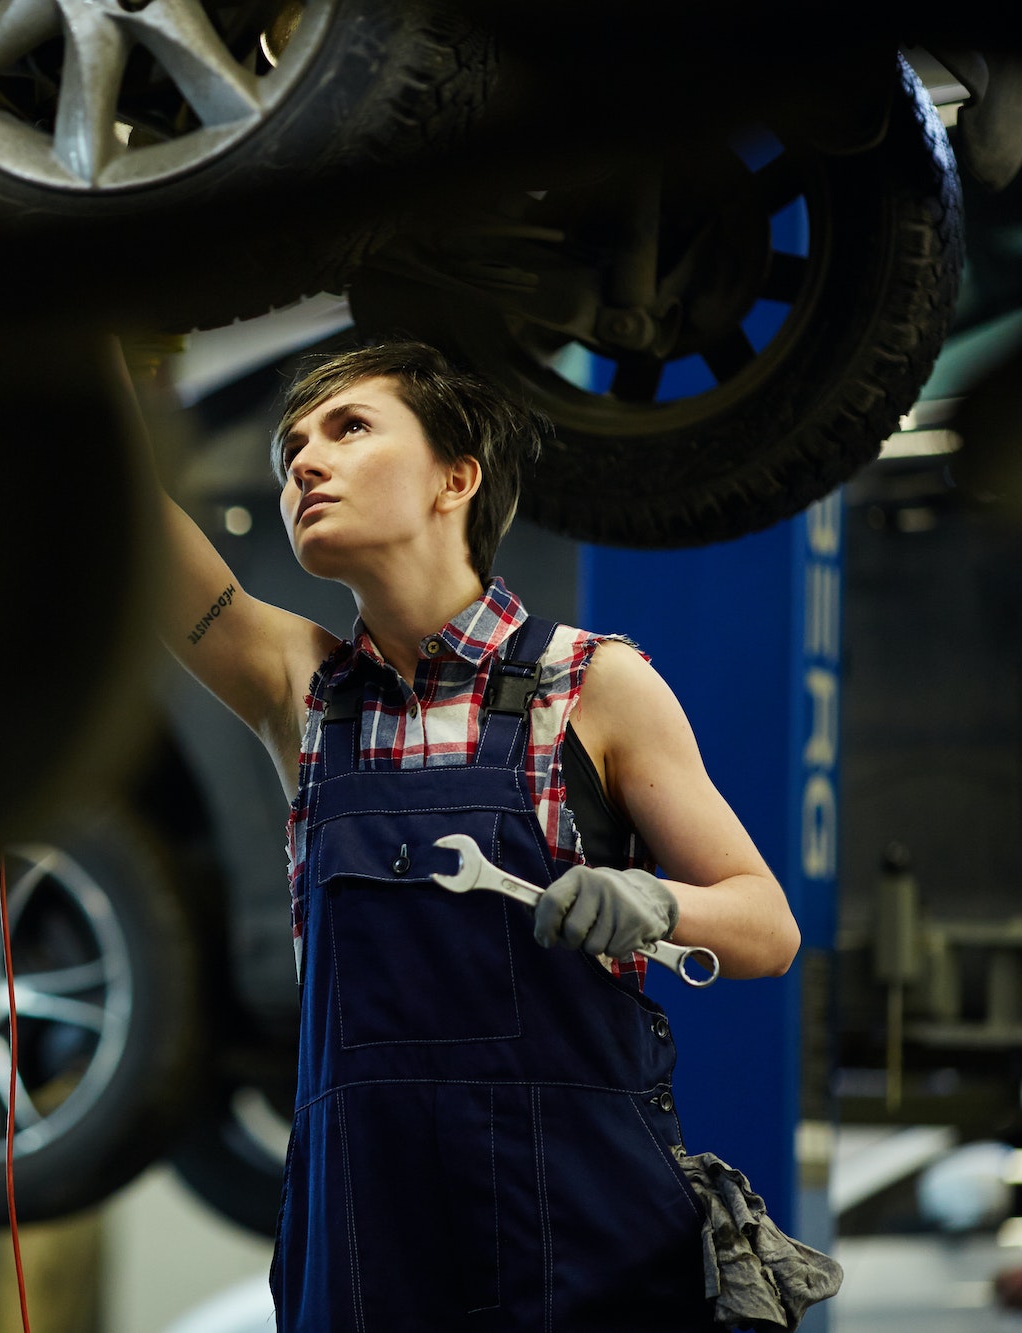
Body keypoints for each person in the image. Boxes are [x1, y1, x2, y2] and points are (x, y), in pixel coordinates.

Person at [152, 339, 801, 1330]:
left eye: (348, 429)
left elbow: (766, 926)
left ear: (455, 477)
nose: (301, 464)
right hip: (369, 1244)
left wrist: (655, 902)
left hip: (586, 1242)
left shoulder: (592, 686)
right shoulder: (304, 695)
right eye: (289, 448)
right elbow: (124, 530)